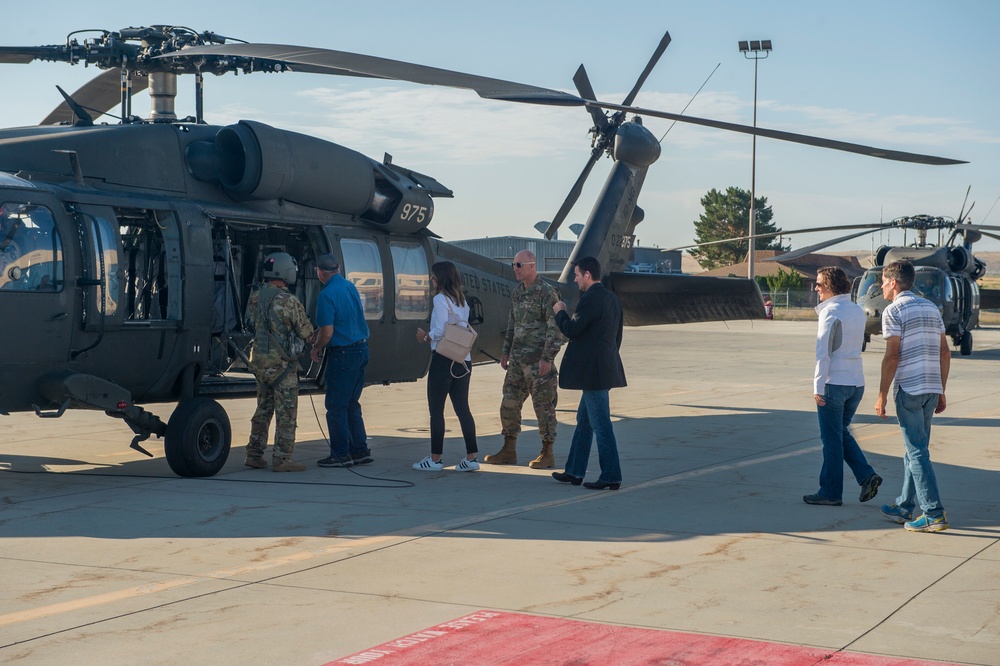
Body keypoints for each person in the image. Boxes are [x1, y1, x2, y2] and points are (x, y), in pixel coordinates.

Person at [875, 260, 951, 532]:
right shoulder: (931, 307)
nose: (881, 286)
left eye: (883, 281)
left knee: (917, 452)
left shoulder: (894, 311)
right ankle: (905, 507)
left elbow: (892, 355)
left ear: (894, 283)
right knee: (915, 450)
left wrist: (882, 394)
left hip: (909, 389)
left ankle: (933, 513)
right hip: (931, 388)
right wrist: (941, 389)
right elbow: (944, 352)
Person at [803, 266, 881, 506]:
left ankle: (830, 492)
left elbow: (823, 353)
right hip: (856, 383)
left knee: (831, 439)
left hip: (834, 383)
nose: (816, 288)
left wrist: (818, 387)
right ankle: (867, 476)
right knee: (840, 433)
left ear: (830, 286)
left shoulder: (831, 313)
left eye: (819, 284)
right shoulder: (857, 310)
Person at [551, 256, 627, 490]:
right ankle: (574, 471)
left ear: (587, 275)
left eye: (576, 275)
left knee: (601, 424)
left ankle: (611, 475)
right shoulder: (612, 299)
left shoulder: (590, 299)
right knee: (584, 422)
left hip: (593, 374)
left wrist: (560, 312)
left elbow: (572, 330)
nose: (574, 280)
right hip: (604, 369)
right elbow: (617, 337)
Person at [484, 249, 564, 468]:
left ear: (531, 266)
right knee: (508, 404)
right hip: (518, 362)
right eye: (513, 265)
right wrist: (506, 351)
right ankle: (508, 449)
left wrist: (548, 358)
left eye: (519, 265)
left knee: (543, 408)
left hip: (539, 364)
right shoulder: (517, 292)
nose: (515, 269)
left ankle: (547, 454)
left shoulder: (547, 293)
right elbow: (512, 324)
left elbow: (555, 329)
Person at [245, 252, 316, 472]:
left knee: (263, 409)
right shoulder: (290, 301)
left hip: (259, 364)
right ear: (286, 272)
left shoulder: (255, 296)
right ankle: (282, 458)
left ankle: (254, 454)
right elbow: (306, 333)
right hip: (282, 367)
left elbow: (249, 323)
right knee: (287, 412)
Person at [412, 261, 480, 472]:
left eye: (433, 277)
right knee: (463, 409)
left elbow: (441, 330)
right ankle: (471, 458)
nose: (431, 280)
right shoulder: (462, 301)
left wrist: (426, 336)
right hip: (463, 359)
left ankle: (435, 459)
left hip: (443, 359)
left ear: (440, 279)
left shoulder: (440, 300)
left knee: (436, 411)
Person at [310, 253, 373, 468]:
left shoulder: (326, 295)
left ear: (320, 272)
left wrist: (316, 346)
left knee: (336, 405)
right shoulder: (349, 287)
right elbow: (347, 319)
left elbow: (327, 332)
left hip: (343, 354)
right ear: (337, 269)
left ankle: (340, 454)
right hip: (362, 349)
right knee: (351, 403)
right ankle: (360, 450)